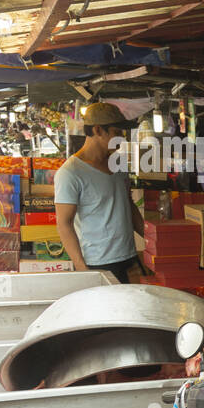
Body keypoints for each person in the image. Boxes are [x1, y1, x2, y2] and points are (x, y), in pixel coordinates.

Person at [55, 102, 146, 283]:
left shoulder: (118, 163)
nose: (122, 139)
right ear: (97, 130)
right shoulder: (70, 173)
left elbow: (127, 204)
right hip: (97, 263)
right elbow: (64, 224)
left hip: (129, 257)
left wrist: (152, 240)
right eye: (117, 133)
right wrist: (82, 267)